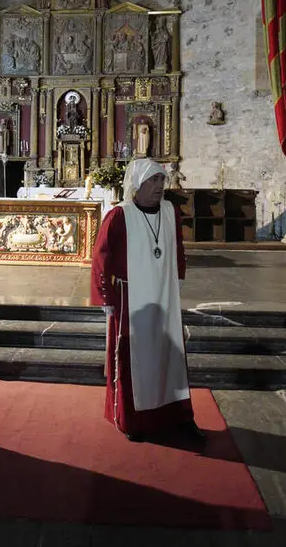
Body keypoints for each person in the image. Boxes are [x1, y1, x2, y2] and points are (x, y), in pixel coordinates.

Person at [91, 158, 203, 444]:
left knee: (169, 355)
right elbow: (101, 257)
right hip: (131, 299)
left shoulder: (169, 211)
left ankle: (178, 416)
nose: (159, 187)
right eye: (153, 181)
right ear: (137, 184)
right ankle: (134, 420)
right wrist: (105, 296)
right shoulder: (119, 215)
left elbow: (177, 248)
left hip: (164, 295)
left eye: (161, 181)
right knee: (134, 359)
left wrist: (177, 278)